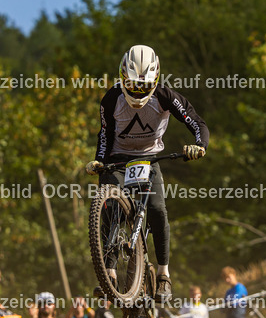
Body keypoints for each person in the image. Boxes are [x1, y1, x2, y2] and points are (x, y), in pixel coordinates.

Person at [85, 44, 210, 302]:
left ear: (155, 81)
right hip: (117, 159)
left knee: (157, 209)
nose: (137, 91)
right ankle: (109, 273)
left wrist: (199, 145)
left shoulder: (165, 96)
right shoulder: (111, 99)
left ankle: (163, 274)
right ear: (122, 79)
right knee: (109, 207)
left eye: (143, 86)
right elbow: (105, 134)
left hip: (150, 158)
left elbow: (196, 122)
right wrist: (98, 161)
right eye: (132, 85)